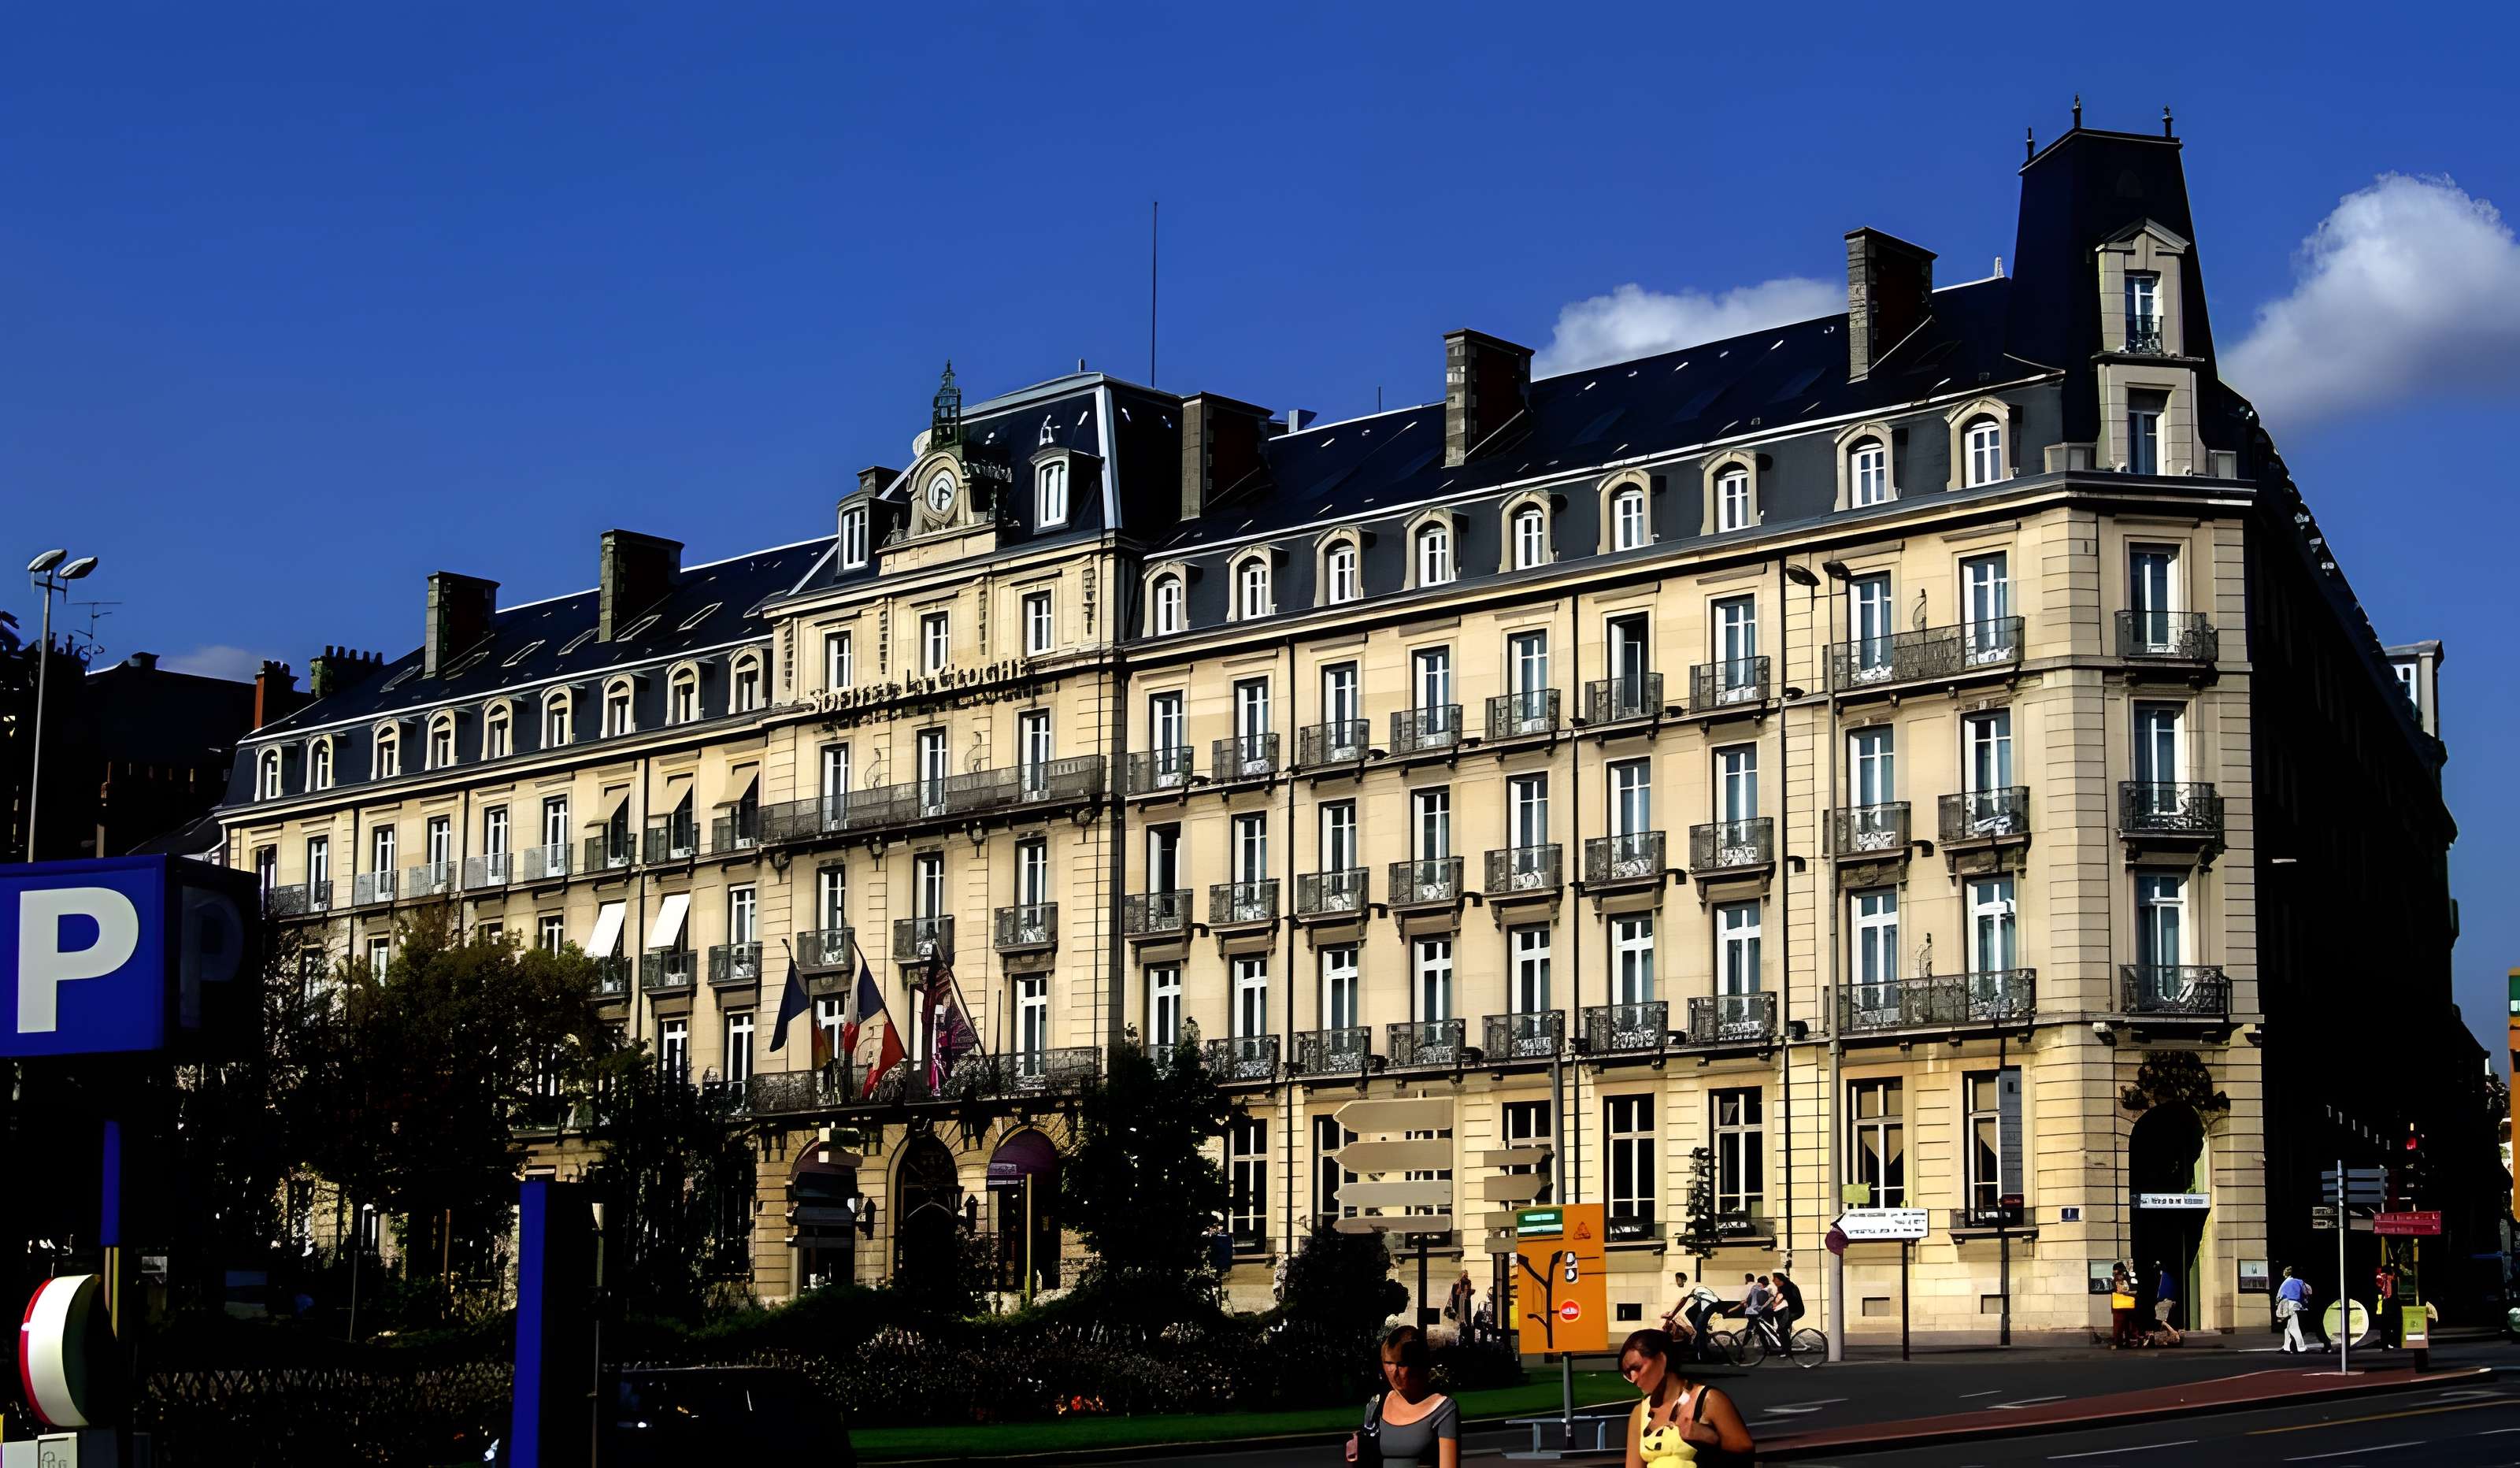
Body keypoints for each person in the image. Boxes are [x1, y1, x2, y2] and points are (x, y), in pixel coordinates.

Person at [1620, 1327, 1755, 1468]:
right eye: (1628, 1373)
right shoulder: (1640, 1413)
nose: (1633, 1378)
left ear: (1661, 1359)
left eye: (1637, 1368)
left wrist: (1710, 1439)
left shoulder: (1709, 1400)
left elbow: (1745, 1454)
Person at [1347, 1326, 1458, 1468]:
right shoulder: (1377, 1405)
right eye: (1388, 1363)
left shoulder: (1443, 1410)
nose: (1394, 1372)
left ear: (1419, 1365)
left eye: (1401, 1364)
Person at [2277, 1266, 2314, 1353]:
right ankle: (2300, 1348)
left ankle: (2288, 1348)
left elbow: (2278, 1297)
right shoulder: (2300, 1282)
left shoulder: (2284, 1283)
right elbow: (2309, 1291)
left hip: (2285, 1305)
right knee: (2293, 1327)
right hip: (2294, 1305)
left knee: (2288, 1327)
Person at [2109, 1262, 2137, 1348]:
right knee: (2126, 1325)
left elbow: (2134, 1290)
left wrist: (2128, 1293)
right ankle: (2124, 1342)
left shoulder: (2128, 1277)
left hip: (2123, 1305)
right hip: (2125, 1305)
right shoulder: (2117, 1279)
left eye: (2116, 1272)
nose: (2117, 1275)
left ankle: (2122, 1342)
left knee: (2122, 1325)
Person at [1445, 1270, 1475, 1338]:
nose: (1466, 1276)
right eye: (1465, 1274)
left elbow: (1458, 1292)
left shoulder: (1461, 1282)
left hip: (1463, 1298)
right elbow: (1456, 1293)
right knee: (1463, 1312)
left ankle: (1464, 1325)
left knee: (1463, 1312)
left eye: (1466, 1274)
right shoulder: (1460, 1283)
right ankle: (1464, 1325)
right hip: (1463, 1298)